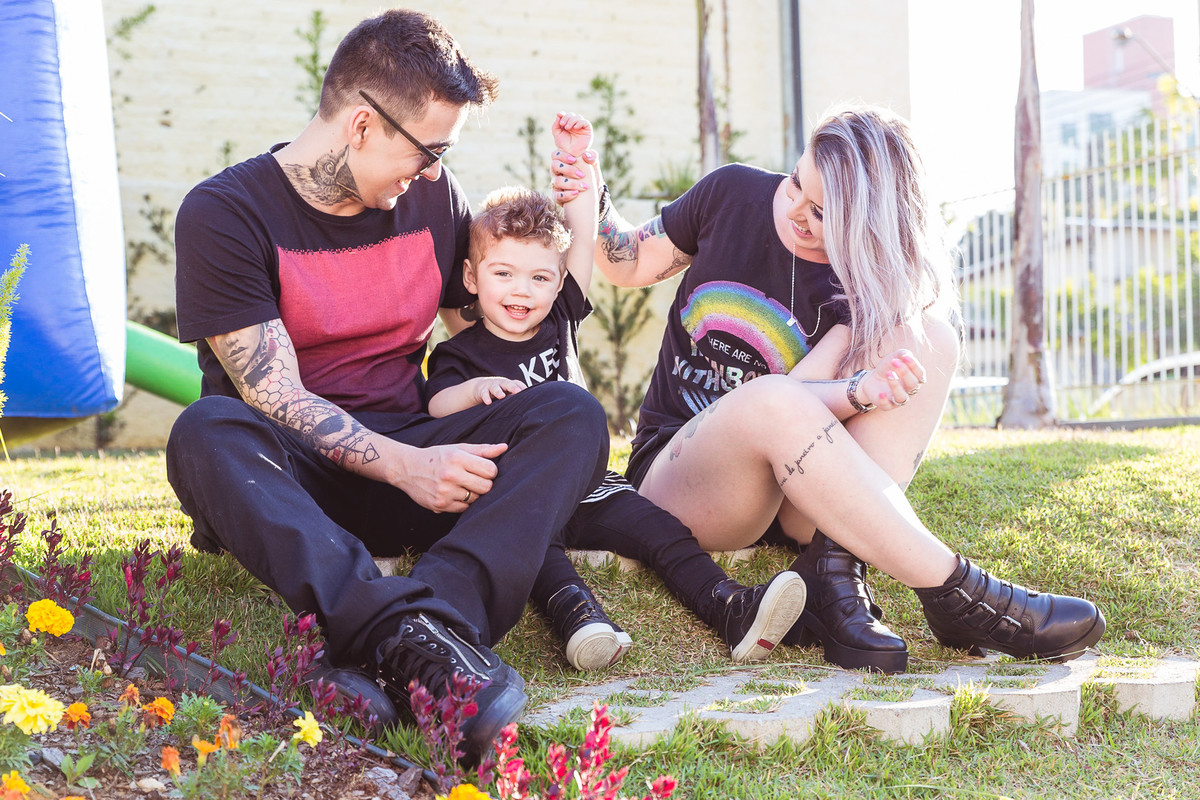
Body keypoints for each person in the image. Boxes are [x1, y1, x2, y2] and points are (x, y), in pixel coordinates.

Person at [166, 9, 613, 761]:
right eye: (430, 148)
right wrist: (410, 465)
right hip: (293, 475)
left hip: (417, 457)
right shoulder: (225, 214)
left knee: (571, 413)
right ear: (364, 126)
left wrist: (576, 215)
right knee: (206, 431)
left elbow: (490, 334)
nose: (437, 169)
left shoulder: (431, 199)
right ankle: (413, 641)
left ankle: (422, 631)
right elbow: (276, 395)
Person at [551, 104, 1106, 674]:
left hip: (798, 498)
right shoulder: (732, 195)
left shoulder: (861, 278)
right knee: (771, 399)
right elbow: (630, 261)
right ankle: (960, 593)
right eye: (796, 183)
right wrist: (591, 192)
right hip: (687, 476)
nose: (796, 210)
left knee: (928, 334)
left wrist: (868, 384)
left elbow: (800, 395)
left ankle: (835, 574)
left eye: (821, 211)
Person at [425, 113, 807, 671]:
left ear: (557, 283)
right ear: (471, 276)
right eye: (503, 274)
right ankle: (580, 620)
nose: (521, 291)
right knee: (539, 550)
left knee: (660, 528)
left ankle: (729, 606)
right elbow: (435, 407)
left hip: (591, 485)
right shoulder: (460, 355)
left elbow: (580, 240)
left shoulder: (558, 318)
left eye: (538, 277)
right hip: (519, 489)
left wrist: (579, 160)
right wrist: (475, 391)